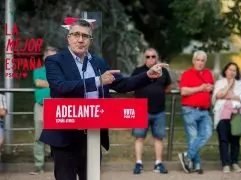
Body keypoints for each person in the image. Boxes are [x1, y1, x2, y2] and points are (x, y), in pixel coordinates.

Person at [39, 19, 168, 180]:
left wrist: (147, 75)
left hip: (93, 134)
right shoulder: (55, 60)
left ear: (90, 40)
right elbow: (61, 87)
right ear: (68, 38)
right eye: (76, 35)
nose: (80, 39)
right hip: (65, 134)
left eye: (85, 36)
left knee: (92, 176)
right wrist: (97, 81)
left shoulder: (98, 62)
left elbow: (122, 84)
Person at [131, 48, 172, 174]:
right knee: (139, 138)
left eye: (153, 56)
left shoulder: (163, 71)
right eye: (147, 57)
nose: (150, 59)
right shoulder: (138, 71)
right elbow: (131, 85)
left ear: (157, 58)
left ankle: (158, 164)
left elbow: (168, 86)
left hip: (159, 110)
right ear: (144, 58)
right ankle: (138, 164)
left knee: (159, 138)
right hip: (141, 109)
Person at [178, 50, 214, 174]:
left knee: (207, 133)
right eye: (198, 60)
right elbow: (183, 91)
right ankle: (196, 164)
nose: (200, 63)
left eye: (202, 60)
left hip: (204, 111)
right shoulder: (187, 74)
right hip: (190, 110)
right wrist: (201, 88)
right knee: (193, 138)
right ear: (193, 61)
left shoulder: (209, 73)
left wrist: (210, 88)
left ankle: (187, 156)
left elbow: (210, 87)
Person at [212, 62, 241, 173]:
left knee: (235, 140)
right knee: (223, 140)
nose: (232, 72)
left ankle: (234, 162)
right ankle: (225, 164)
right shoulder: (219, 82)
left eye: (234, 70)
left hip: (236, 115)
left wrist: (231, 96)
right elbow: (218, 95)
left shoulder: (240, 84)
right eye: (230, 69)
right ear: (225, 71)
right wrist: (228, 86)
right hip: (223, 115)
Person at [29, 46, 57, 175]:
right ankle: (38, 166)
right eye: (50, 57)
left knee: (59, 136)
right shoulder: (38, 70)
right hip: (41, 106)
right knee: (39, 136)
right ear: (44, 58)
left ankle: (59, 165)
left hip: (56, 107)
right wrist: (54, 83)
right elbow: (39, 83)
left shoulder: (60, 71)